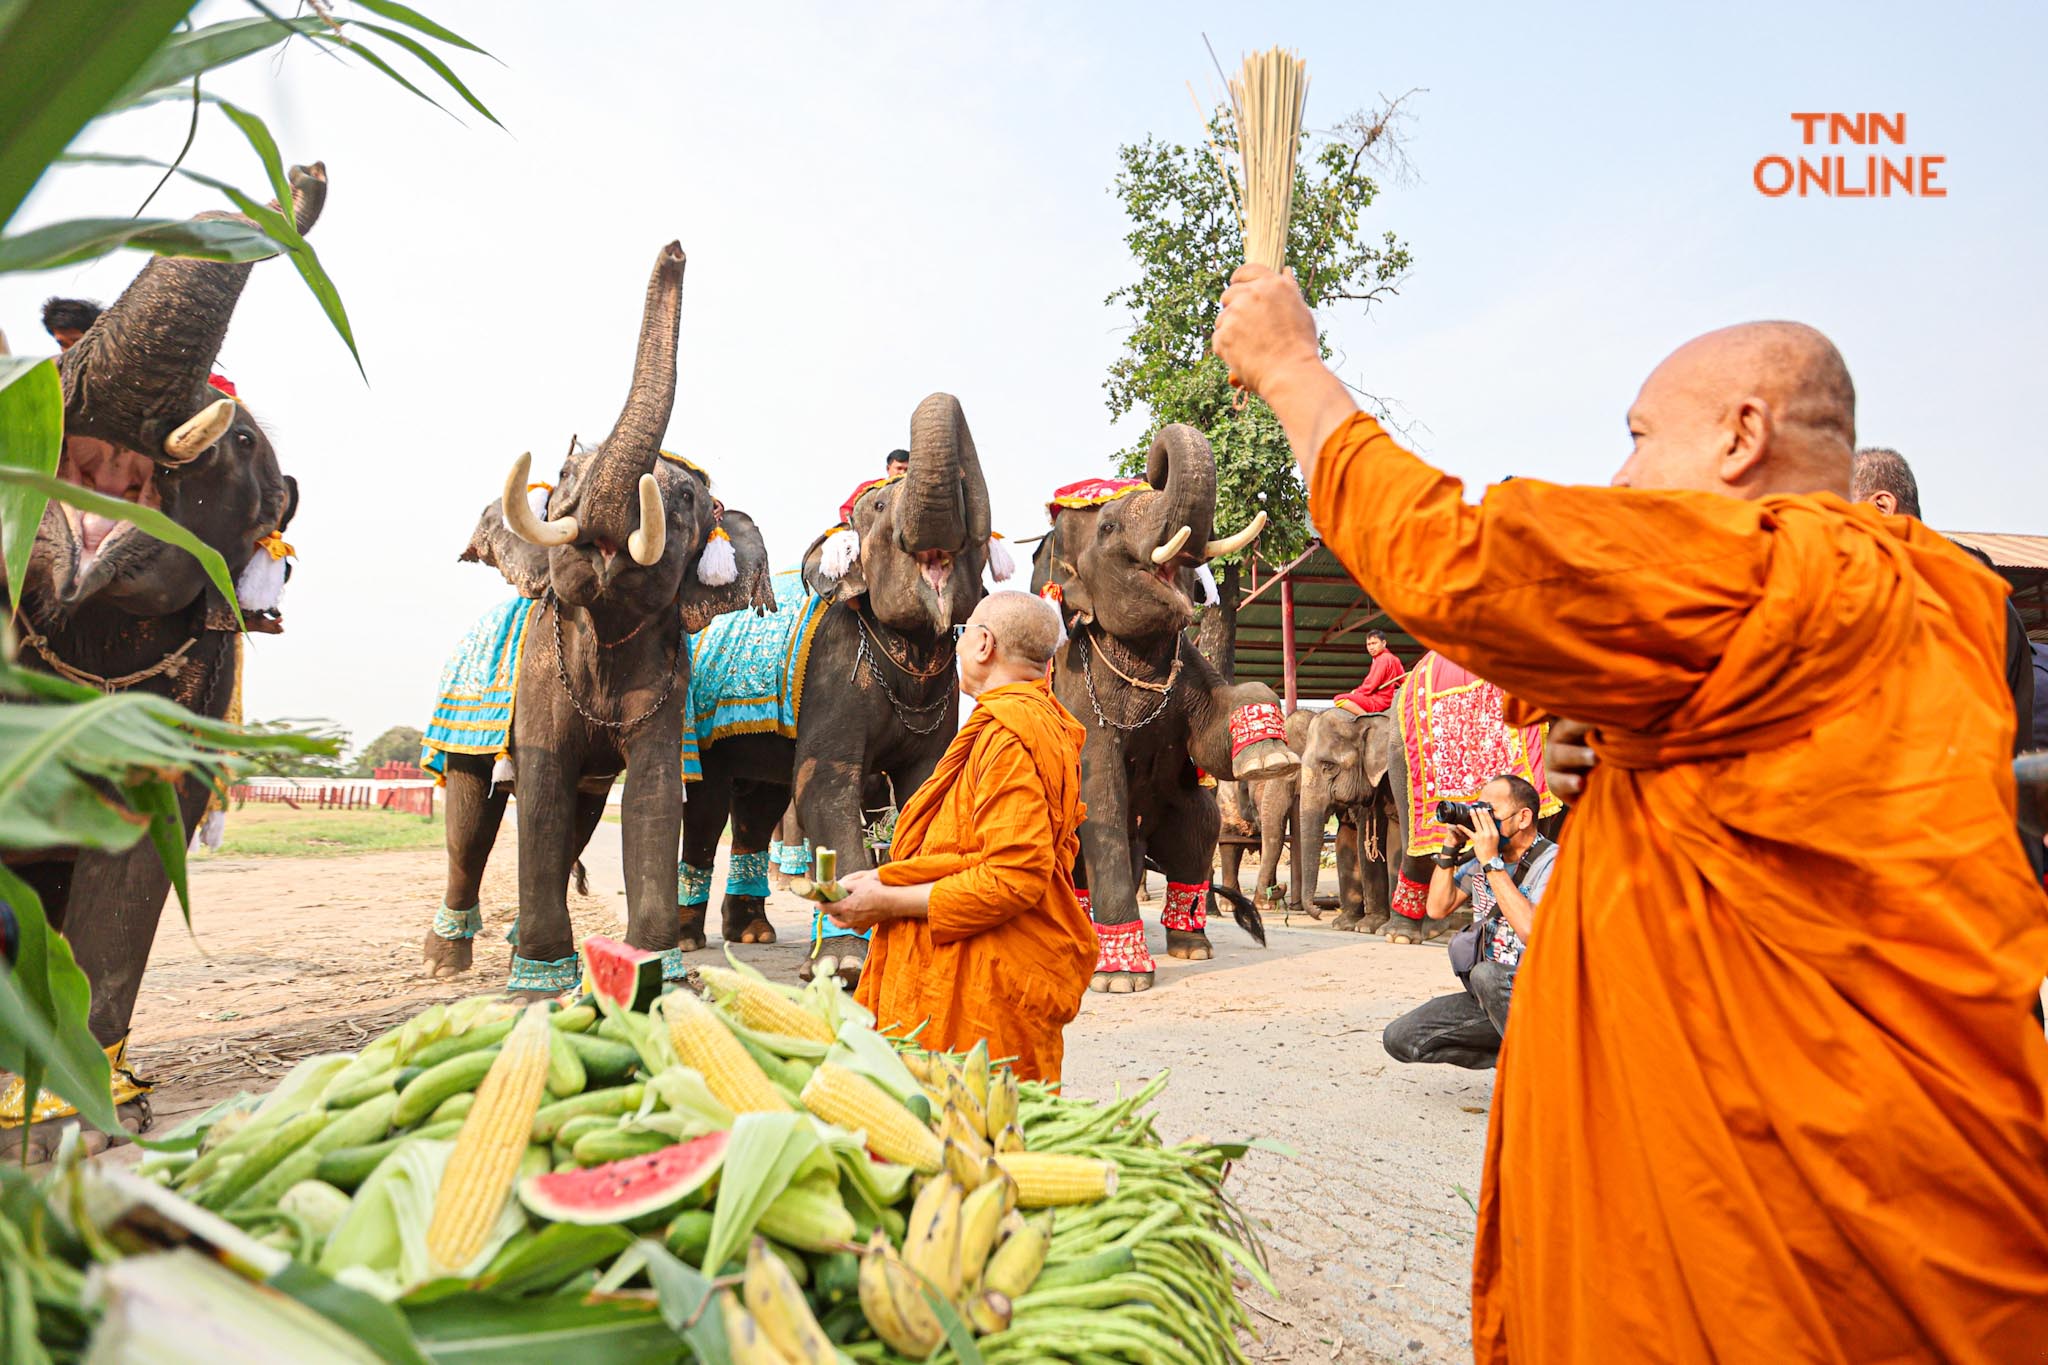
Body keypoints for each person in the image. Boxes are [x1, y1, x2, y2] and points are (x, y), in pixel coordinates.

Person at [1212, 268, 2048, 1360]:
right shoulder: (1931, 607)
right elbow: (1776, 785)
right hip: (1899, 1170)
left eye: (1642, 436)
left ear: (1741, 435)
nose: (1620, 473)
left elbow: (1454, 559)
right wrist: (1611, 758)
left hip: (1784, 1214)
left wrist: (1288, 366)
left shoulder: (1773, 567)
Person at [830, 592, 1092, 1082]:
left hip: (985, 985)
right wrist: (889, 878)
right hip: (977, 969)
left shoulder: (1010, 735)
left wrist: (889, 904)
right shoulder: (1029, 722)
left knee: (970, 1138)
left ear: (984, 645)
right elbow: (964, 850)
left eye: (964, 632)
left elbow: (1013, 877)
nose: (959, 644)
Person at [1851, 446, 2035, 753]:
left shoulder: (1924, 590)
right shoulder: (1990, 598)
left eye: (1839, 509)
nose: (1827, 529)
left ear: (1882, 506)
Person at [1382, 774, 1554, 1069]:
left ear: (1523, 817)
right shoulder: (1481, 861)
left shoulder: (1554, 862)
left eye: (1490, 812)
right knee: (1401, 1038)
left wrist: (1491, 864)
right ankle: (1520, 1058)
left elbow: (1532, 931)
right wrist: (1450, 847)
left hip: (1548, 998)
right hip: (1495, 1001)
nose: (1480, 820)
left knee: (1487, 975)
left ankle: (1543, 1073)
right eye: (1477, 809)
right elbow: (1437, 908)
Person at [1333, 629, 1405, 713]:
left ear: (1384, 643)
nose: (1371, 647)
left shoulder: (1382, 659)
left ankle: (1365, 717)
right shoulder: (1394, 658)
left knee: (1339, 698)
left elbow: (1370, 685)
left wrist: (1356, 692)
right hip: (1390, 699)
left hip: (1379, 701)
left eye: (1374, 643)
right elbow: (1404, 680)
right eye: (1369, 644)